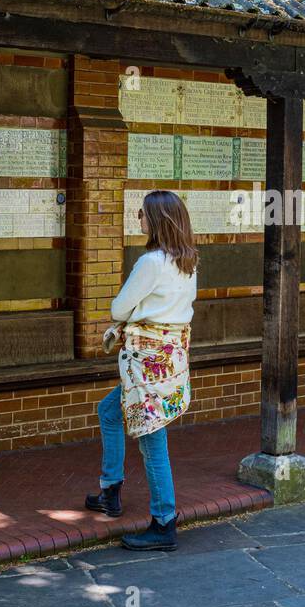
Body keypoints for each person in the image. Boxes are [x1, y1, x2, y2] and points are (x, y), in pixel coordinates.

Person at [85, 189, 198, 551]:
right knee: (110, 411)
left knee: (152, 438)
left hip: (145, 365)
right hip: (169, 361)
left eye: (142, 213)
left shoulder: (151, 262)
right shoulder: (188, 260)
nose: (138, 218)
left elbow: (119, 308)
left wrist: (127, 314)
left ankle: (164, 521)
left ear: (158, 220)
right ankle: (110, 488)